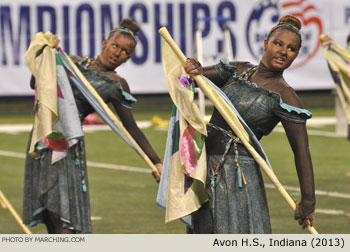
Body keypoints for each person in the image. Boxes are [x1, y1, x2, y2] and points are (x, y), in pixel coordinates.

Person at [23, 18, 162, 234]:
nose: (117, 53)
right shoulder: (70, 62)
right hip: (43, 137)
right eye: (115, 45)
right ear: (104, 43)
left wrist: (156, 162)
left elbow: (131, 128)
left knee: (63, 216)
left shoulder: (116, 84)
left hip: (67, 145)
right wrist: (46, 56)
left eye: (125, 51)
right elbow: (35, 84)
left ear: (128, 59)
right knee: (49, 211)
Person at [184, 15, 315, 233]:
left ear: (296, 55)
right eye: (278, 43)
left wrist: (308, 201)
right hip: (204, 167)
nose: (283, 51)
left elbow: (302, 151)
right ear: (266, 43)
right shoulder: (238, 70)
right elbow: (190, 78)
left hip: (239, 179)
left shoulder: (287, 97)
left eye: (291, 49)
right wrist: (191, 69)